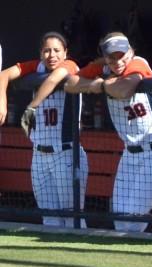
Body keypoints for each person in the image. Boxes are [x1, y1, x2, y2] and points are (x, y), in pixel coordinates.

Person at [63, 32, 152, 236]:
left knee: (131, 222)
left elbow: (123, 89)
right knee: (121, 222)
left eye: (121, 54)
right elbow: (70, 84)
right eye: (111, 57)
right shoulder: (102, 68)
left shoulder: (138, 63)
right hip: (130, 154)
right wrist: (92, 84)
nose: (117, 61)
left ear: (130, 51)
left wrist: (102, 85)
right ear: (105, 57)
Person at [0, 32, 88, 228]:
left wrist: (31, 106)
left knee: (72, 218)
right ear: (41, 54)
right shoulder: (38, 67)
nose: (52, 55)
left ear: (65, 53)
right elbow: (3, 74)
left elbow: (54, 78)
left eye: (57, 50)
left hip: (66, 153)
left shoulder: (70, 66)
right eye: (46, 51)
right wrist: (2, 101)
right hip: (39, 155)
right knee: (49, 220)